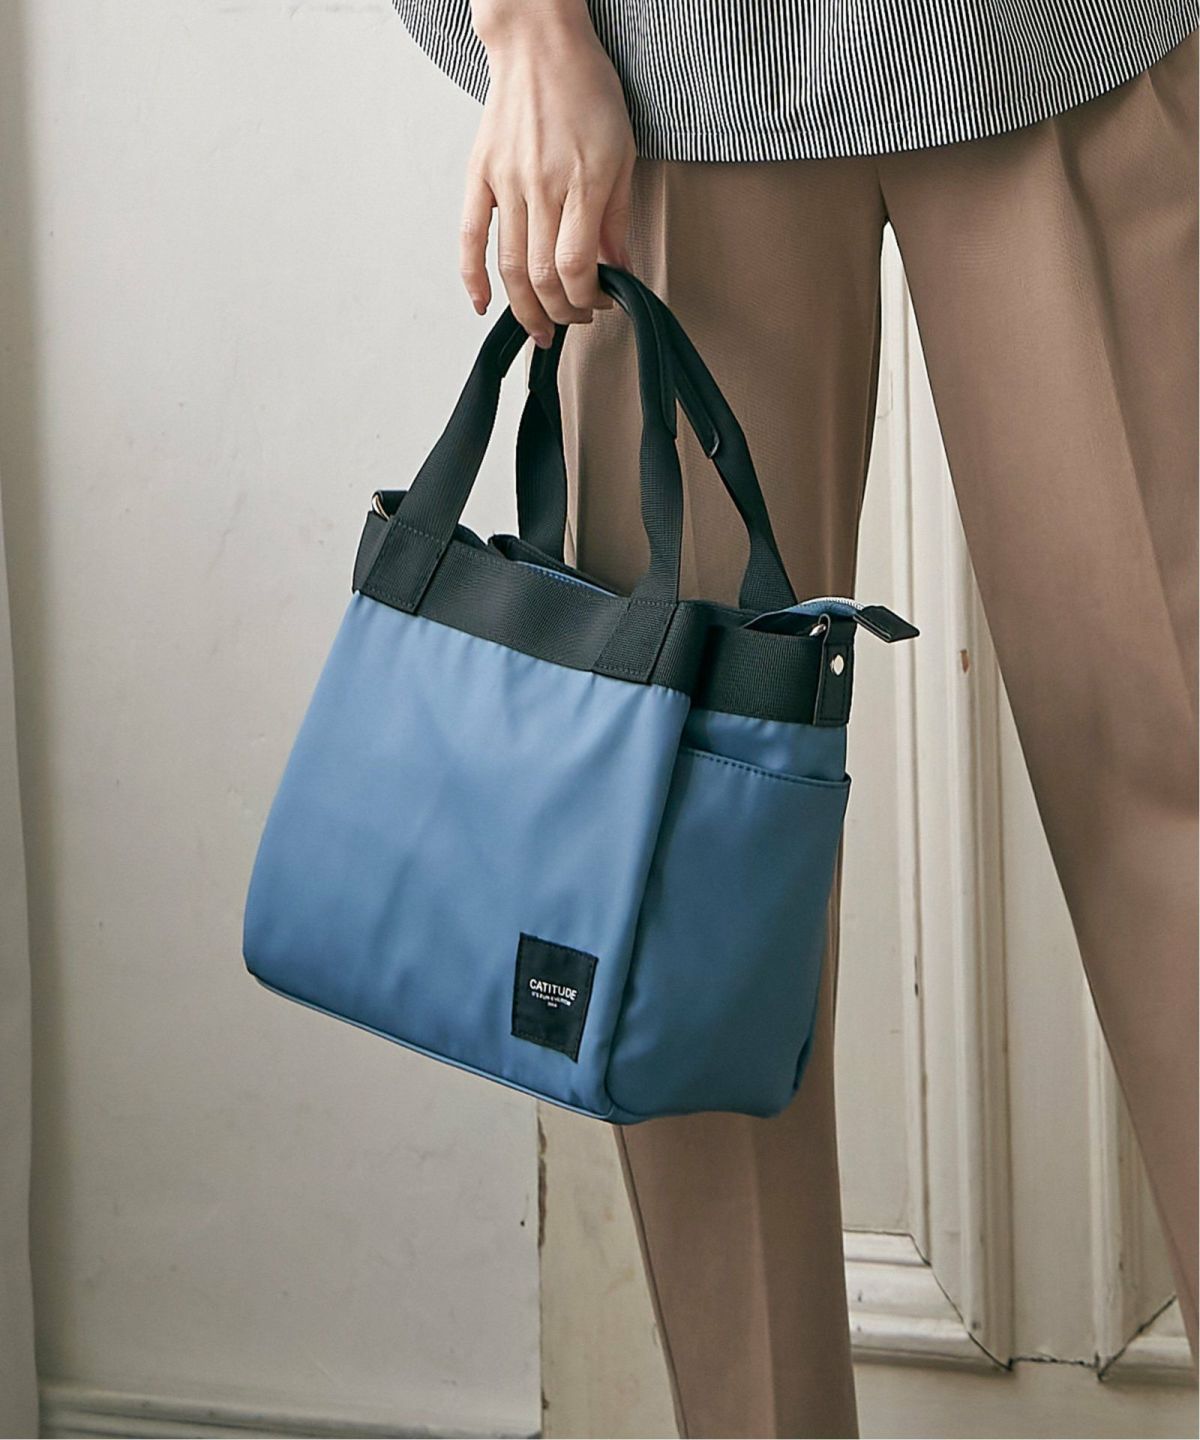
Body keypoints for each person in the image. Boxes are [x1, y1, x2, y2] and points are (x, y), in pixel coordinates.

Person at [390, 2, 1199, 1434]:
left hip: (1061, 38)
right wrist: (528, 28)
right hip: (670, 75)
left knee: (1177, 771)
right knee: (686, 857)